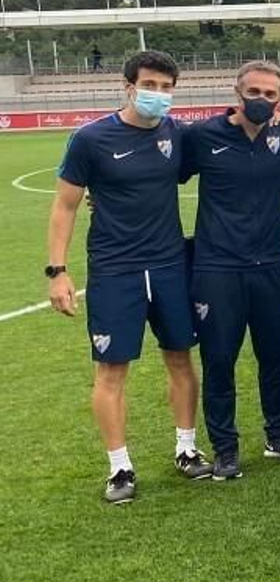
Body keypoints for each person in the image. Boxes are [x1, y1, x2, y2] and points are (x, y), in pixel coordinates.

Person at [47, 49, 206, 502]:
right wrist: (57, 271)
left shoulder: (178, 135)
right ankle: (120, 469)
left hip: (172, 265)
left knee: (180, 357)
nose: (158, 94)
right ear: (129, 86)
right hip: (115, 270)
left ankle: (187, 449)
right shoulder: (91, 139)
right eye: (150, 85)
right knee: (112, 369)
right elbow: (64, 205)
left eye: (166, 87)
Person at [181, 60, 280, 480]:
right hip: (217, 267)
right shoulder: (202, 136)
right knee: (220, 360)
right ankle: (226, 448)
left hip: (271, 264)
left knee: (275, 356)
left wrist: (272, 196)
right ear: (237, 94)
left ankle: (279, 435)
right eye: (254, 93)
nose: (261, 100)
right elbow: (159, 177)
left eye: (270, 95)